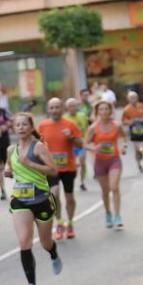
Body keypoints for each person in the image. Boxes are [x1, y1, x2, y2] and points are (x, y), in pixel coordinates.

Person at [3, 113, 62, 285]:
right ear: (13, 128)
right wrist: (8, 171)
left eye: (24, 124)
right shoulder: (11, 149)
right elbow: (9, 168)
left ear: (30, 127)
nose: (20, 127)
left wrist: (30, 163)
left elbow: (53, 170)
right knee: (24, 241)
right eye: (17, 125)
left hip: (41, 199)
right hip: (20, 200)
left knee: (45, 242)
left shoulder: (38, 147)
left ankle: (53, 253)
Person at [39, 98, 83, 241]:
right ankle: (59, 222)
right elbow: (37, 145)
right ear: (48, 109)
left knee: (69, 197)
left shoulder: (70, 125)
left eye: (57, 107)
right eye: (52, 107)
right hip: (51, 168)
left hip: (68, 167)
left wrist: (71, 137)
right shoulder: (43, 126)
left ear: (62, 109)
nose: (55, 110)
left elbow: (80, 144)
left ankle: (70, 223)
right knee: (54, 194)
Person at [85, 101, 128, 229]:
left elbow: (124, 137)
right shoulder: (93, 128)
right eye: (101, 110)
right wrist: (94, 148)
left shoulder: (117, 125)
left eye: (106, 109)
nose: (104, 112)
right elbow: (85, 143)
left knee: (114, 187)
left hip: (114, 159)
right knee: (105, 190)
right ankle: (108, 213)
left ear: (110, 111)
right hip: (100, 162)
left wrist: (124, 147)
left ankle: (117, 215)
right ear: (97, 112)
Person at [121, 91, 143, 173]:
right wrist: (130, 122)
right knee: (137, 149)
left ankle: (141, 152)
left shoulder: (142, 106)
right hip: (134, 131)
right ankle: (139, 164)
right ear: (128, 99)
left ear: (137, 98)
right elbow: (123, 120)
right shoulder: (126, 109)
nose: (133, 99)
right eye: (131, 98)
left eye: (135, 97)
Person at [69, 96, 91, 192]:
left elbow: (87, 128)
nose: (73, 108)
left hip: (81, 143)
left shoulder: (82, 116)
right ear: (67, 108)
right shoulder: (65, 117)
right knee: (72, 165)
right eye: (70, 106)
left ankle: (82, 182)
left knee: (82, 162)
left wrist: (87, 140)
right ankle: (72, 180)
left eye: (74, 105)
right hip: (70, 145)